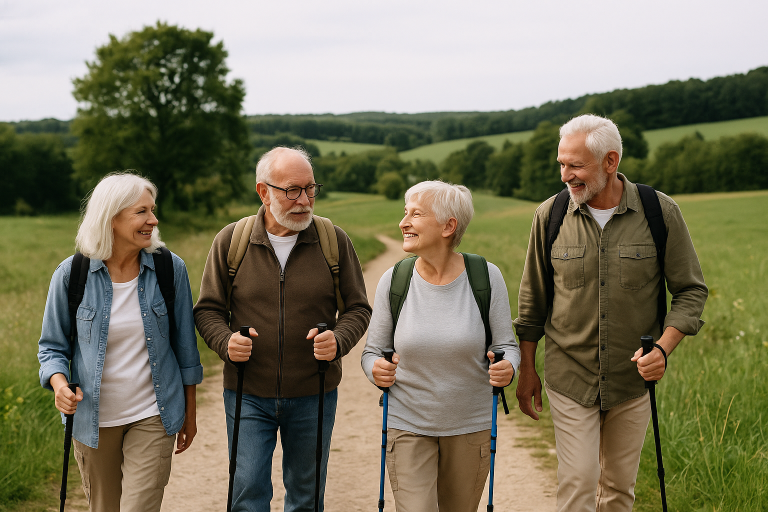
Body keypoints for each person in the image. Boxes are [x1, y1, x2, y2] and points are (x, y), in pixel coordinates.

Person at [514, 114, 708, 511]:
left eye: (576, 165)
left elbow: (690, 291)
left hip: (631, 381)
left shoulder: (660, 212)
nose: (566, 175)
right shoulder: (549, 216)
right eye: (562, 164)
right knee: (579, 483)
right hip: (570, 376)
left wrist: (663, 349)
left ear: (610, 161)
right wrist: (528, 369)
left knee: (619, 490)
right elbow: (532, 300)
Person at [194, 146, 372, 511]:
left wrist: (338, 341)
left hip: (315, 392)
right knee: (246, 493)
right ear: (263, 191)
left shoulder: (332, 241)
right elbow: (208, 310)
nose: (304, 200)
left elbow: (357, 308)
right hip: (247, 392)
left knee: (307, 496)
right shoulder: (231, 241)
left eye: (310, 188)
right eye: (292, 190)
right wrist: (226, 342)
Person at [38, 173, 203, 511]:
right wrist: (58, 385)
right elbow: (51, 348)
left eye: (152, 210)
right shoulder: (72, 275)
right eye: (141, 212)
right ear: (111, 218)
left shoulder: (170, 270)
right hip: (93, 420)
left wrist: (190, 412)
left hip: (154, 414)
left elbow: (186, 349)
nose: (153, 220)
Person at [361, 180, 519, 512]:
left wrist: (509, 368)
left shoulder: (486, 277)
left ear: (449, 226)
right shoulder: (395, 280)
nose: (403, 223)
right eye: (405, 213)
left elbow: (507, 345)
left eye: (415, 214)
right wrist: (376, 370)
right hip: (407, 424)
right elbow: (371, 353)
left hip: (470, 426)